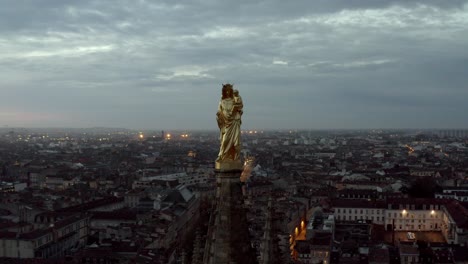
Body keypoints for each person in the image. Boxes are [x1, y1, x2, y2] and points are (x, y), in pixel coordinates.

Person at [216, 84, 242, 162]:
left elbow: (240, 107)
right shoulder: (222, 101)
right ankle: (222, 156)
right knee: (225, 141)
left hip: (234, 122)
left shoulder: (234, 99)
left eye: (229, 90)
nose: (227, 92)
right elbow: (219, 111)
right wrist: (219, 117)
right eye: (226, 90)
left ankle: (235, 158)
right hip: (226, 123)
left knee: (236, 142)